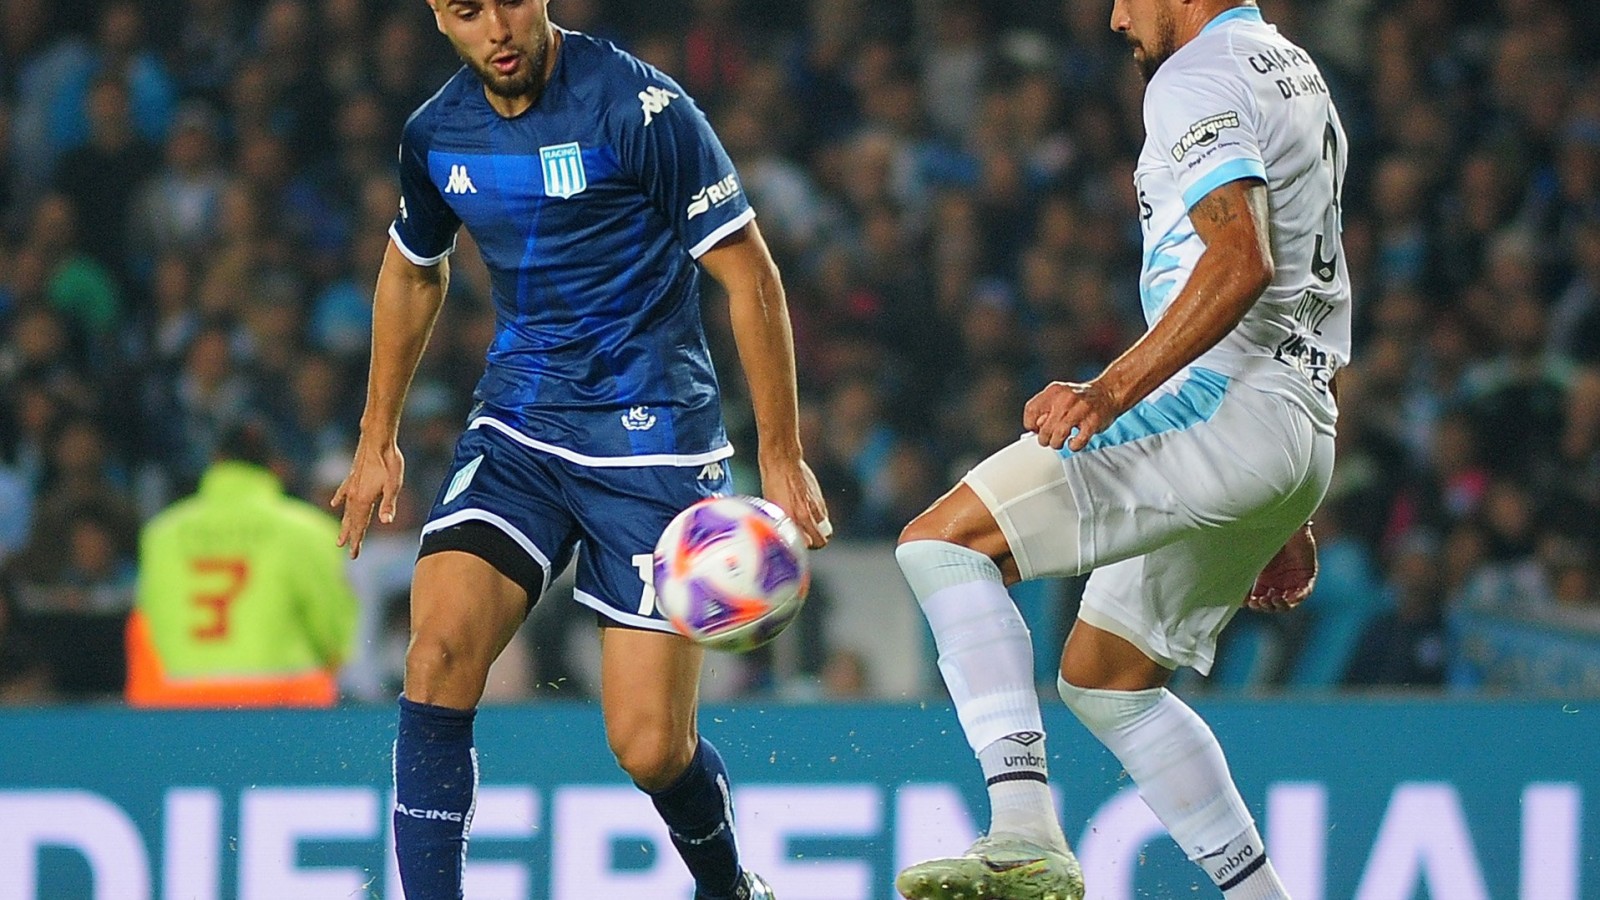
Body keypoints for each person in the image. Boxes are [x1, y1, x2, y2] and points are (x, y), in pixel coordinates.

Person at [330, 2, 830, 898]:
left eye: (510, 1)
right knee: (437, 653)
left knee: (648, 747)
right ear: (441, 17)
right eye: (468, 10)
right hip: (520, 427)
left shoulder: (640, 110)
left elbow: (747, 268)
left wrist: (782, 454)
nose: (498, 28)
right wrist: (377, 441)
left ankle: (728, 888)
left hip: (655, 448)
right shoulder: (438, 132)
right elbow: (413, 265)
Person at [893, 1, 1348, 898]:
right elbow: (1309, 277)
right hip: (1294, 423)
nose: (1114, 18)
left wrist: (1107, 391)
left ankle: (1023, 830)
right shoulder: (1294, 70)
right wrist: (1282, 504)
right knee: (1108, 681)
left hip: (1221, 407)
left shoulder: (1194, 76)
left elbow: (1242, 259)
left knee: (940, 544)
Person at [126, 422, 358, 707]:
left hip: (176, 702)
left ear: (216, 462)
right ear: (277, 467)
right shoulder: (309, 531)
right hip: (278, 704)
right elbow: (336, 633)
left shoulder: (161, 533)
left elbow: (143, 627)